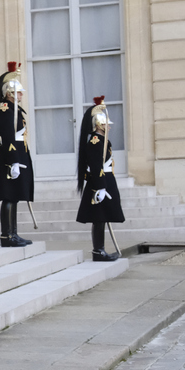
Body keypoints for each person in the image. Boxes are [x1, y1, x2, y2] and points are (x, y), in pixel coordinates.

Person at [0, 62, 33, 247]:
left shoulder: (14, 109)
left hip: (18, 156)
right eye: (18, 92)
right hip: (11, 157)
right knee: (9, 195)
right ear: (9, 93)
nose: (21, 95)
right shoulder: (5, 109)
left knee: (14, 196)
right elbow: (8, 137)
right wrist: (14, 161)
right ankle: (7, 235)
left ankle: (13, 233)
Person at [77, 95, 125, 261]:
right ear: (99, 125)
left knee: (102, 217)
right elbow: (96, 166)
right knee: (99, 218)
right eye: (106, 124)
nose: (109, 127)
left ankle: (100, 250)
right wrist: (100, 187)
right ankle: (98, 251)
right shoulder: (96, 142)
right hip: (100, 182)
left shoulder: (102, 141)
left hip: (106, 180)